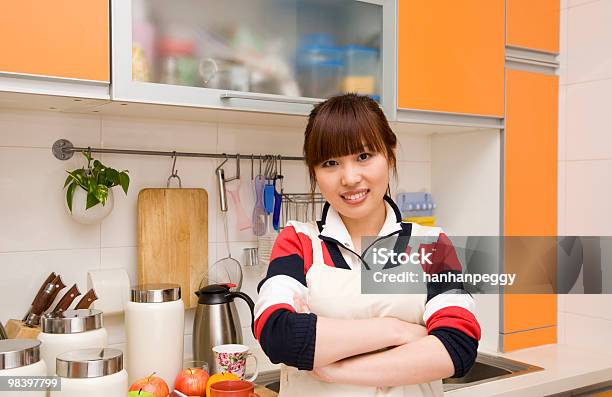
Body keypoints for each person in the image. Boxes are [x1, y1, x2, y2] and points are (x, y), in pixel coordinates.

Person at [253, 93, 480, 396]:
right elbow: (277, 334)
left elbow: (458, 345)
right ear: (314, 172)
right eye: (331, 163)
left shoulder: (432, 244)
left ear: (390, 153)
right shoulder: (298, 241)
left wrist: (335, 369)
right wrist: (397, 330)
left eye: (363, 156)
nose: (349, 178)